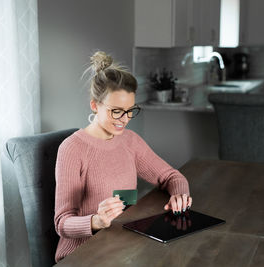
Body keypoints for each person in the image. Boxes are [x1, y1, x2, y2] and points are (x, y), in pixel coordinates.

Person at [54, 51, 192, 262]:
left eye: (130, 111)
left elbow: (171, 176)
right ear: (95, 105)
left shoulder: (130, 141)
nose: (124, 119)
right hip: (83, 253)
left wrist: (179, 195)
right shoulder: (72, 149)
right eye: (116, 111)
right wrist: (97, 221)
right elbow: (62, 223)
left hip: (125, 244)